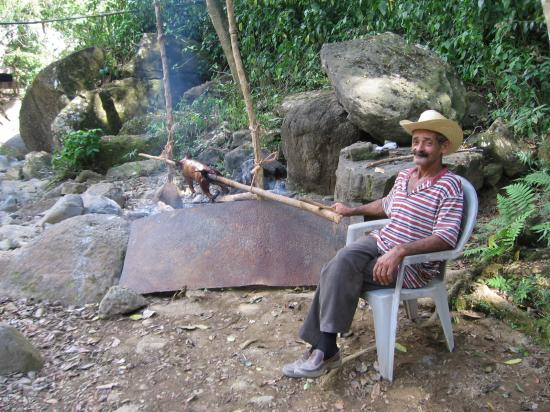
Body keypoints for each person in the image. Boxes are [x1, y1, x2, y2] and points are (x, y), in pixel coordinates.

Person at [282, 109, 465, 379]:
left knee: (338, 272)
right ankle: (325, 349)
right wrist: (351, 210)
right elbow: (385, 205)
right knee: (340, 262)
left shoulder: (450, 187)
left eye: (427, 142)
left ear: (443, 147)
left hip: (411, 265)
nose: (419, 148)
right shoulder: (405, 176)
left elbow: (446, 237)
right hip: (381, 240)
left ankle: (324, 350)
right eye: (416, 141)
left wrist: (401, 251)